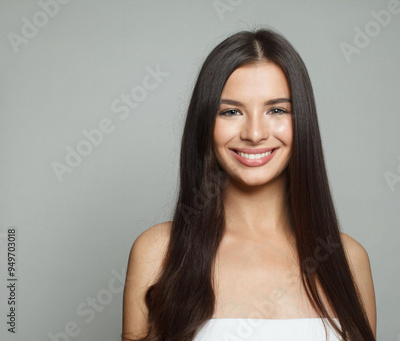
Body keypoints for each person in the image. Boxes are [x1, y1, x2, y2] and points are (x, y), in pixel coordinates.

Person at [122, 28, 376, 341]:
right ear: (205, 123)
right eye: (231, 111)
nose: (254, 133)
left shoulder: (347, 259)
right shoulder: (158, 253)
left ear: (303, 122)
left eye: (277, 110)